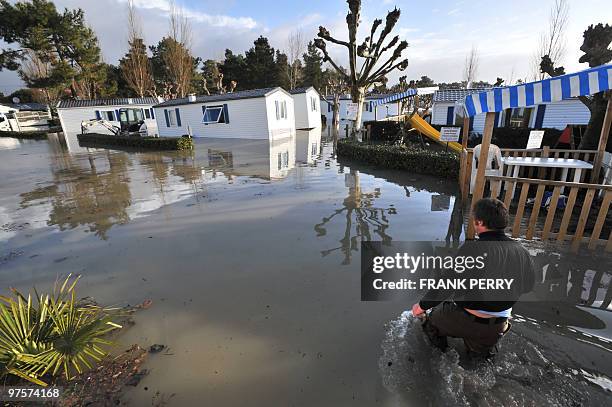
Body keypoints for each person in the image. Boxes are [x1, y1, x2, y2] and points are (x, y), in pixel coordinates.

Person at [411, 198, 535, 357]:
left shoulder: (473, 249)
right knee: (478, 361)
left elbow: (446, 286)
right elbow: (528, 286)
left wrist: (421, 306)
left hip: (466, 319)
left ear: (480, 222)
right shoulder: (521, 251)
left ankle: (441, 357)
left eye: (473, 219)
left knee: (430, 322)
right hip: (497, 326)